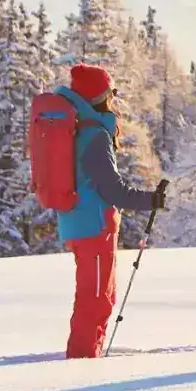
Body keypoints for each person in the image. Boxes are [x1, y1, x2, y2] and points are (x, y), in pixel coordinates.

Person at [54, 63, 165, 359]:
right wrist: (150, 200)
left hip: (78, 222)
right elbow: (112, 190)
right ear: (98, 97)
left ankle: (88, 355)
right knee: (96, 299)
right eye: (110, 92)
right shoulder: (93, 136)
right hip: (94, 225)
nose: (113, 98)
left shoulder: (76, 130)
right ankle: (82, 363)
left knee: (96, 295)